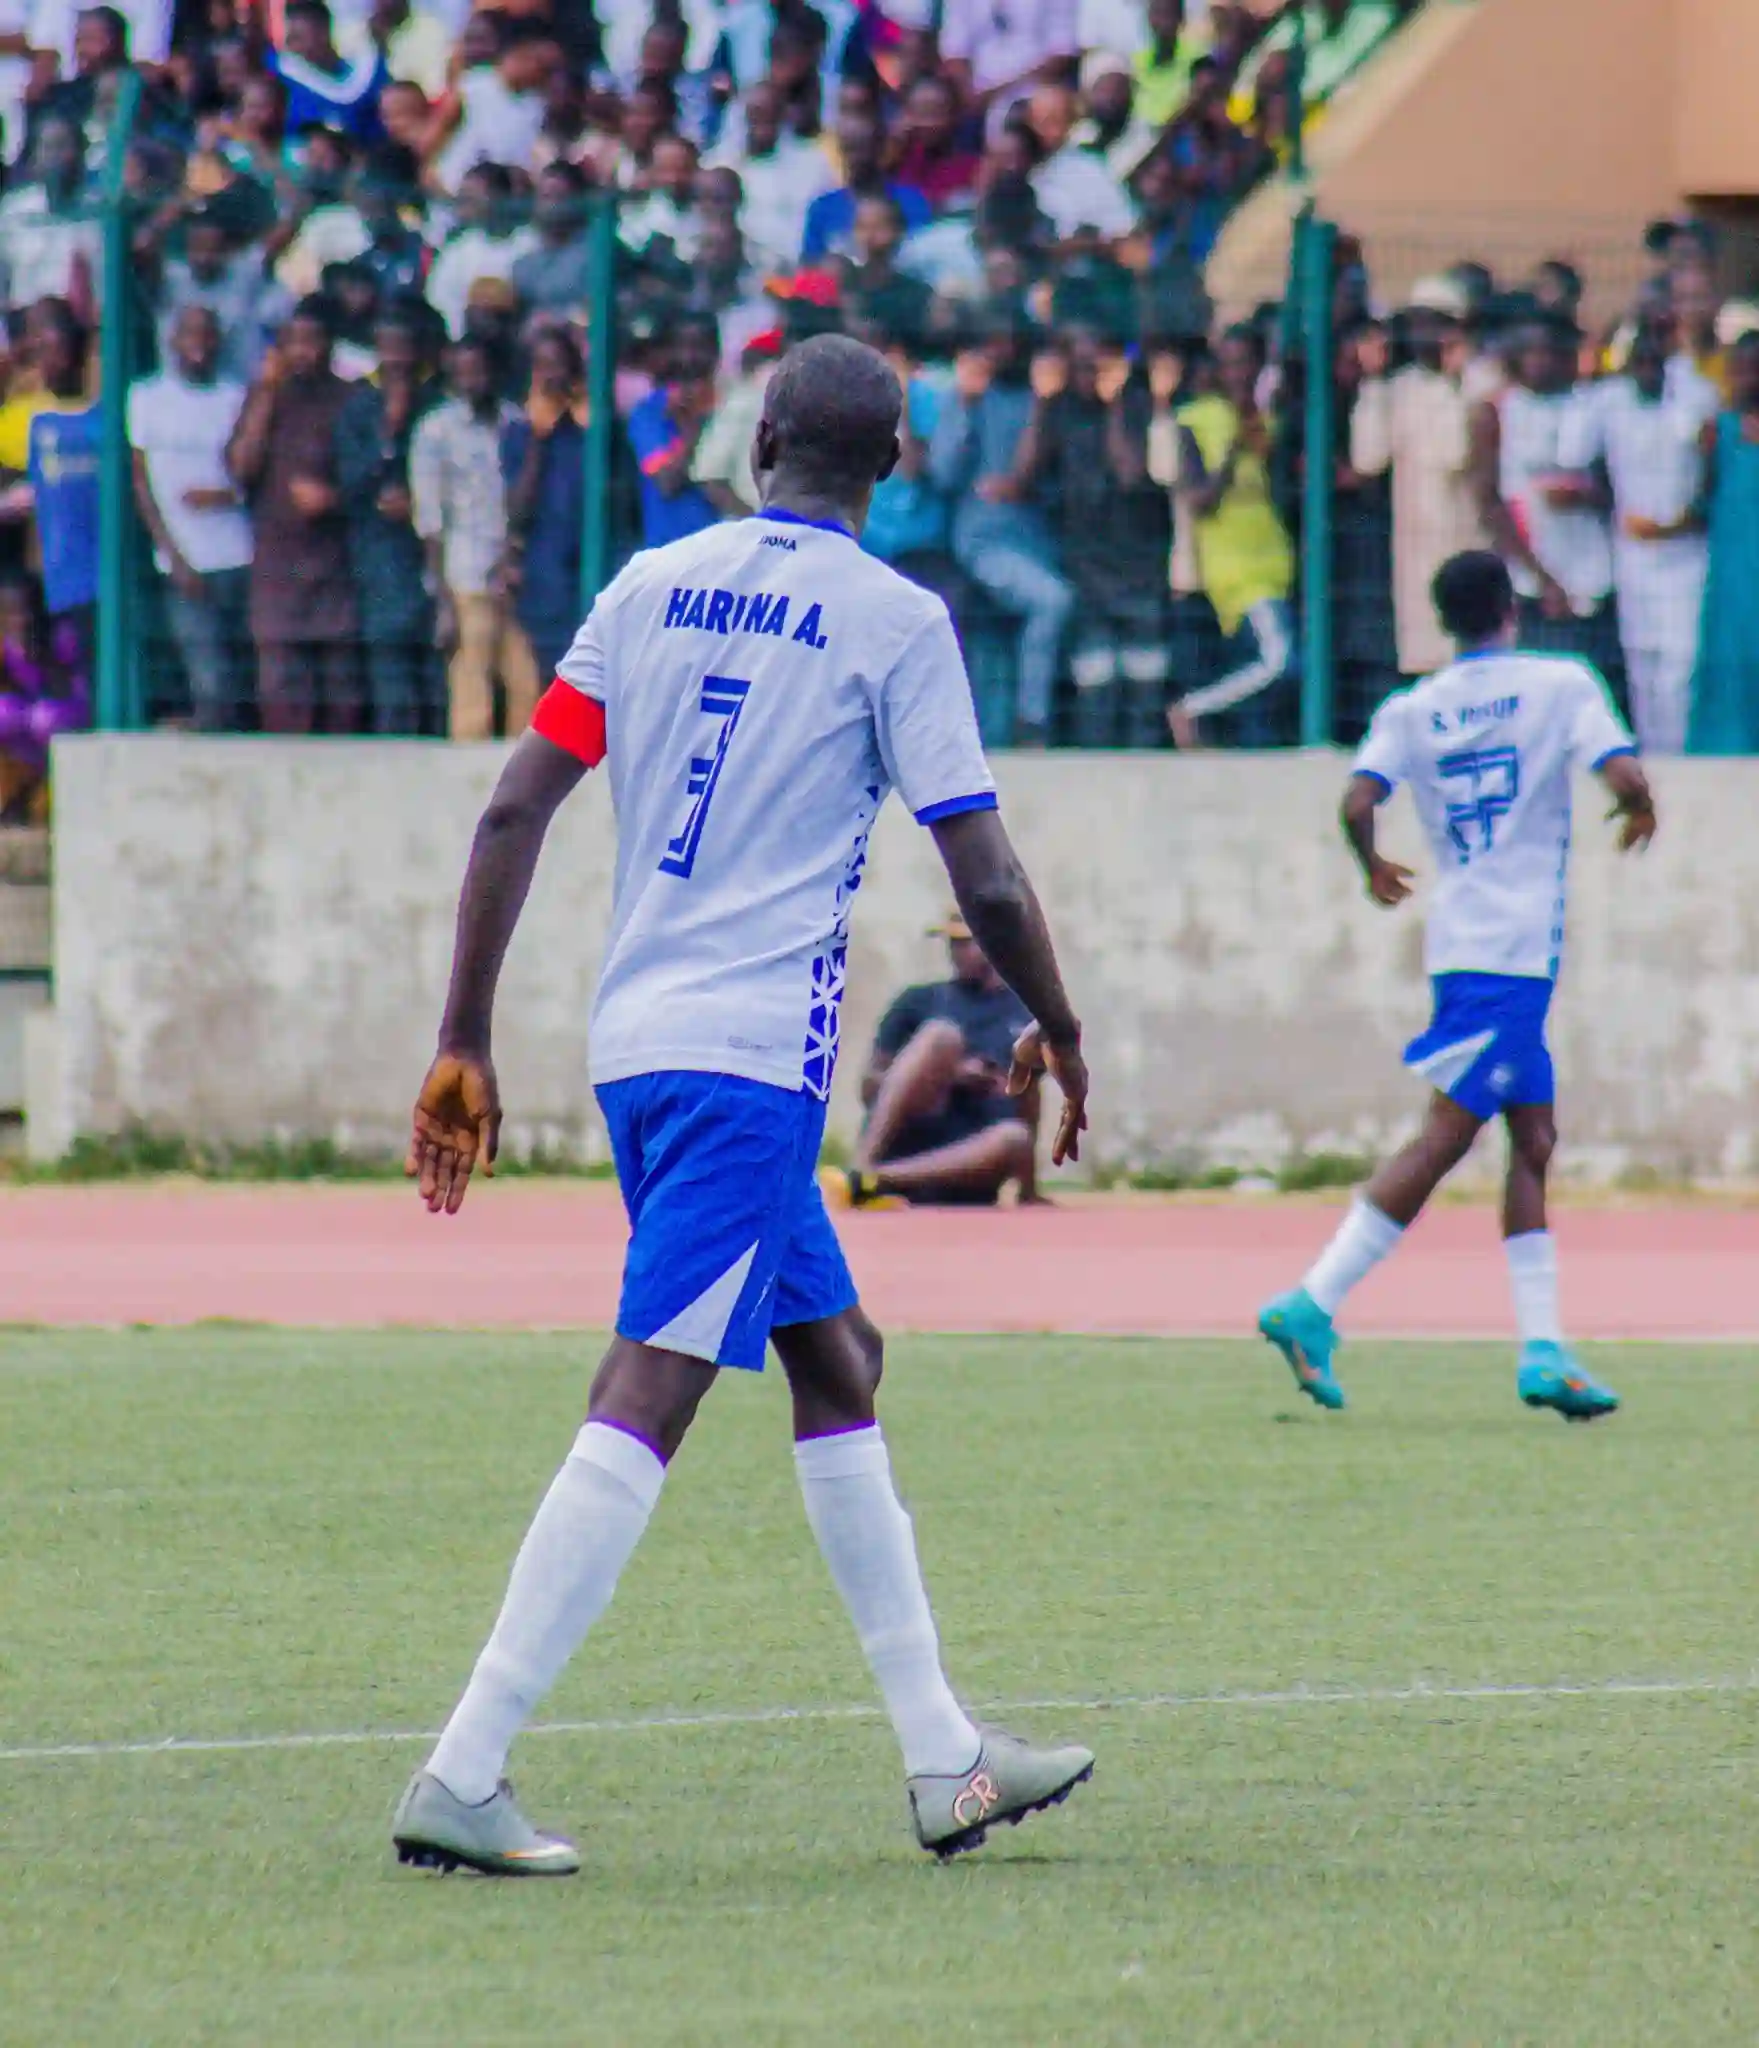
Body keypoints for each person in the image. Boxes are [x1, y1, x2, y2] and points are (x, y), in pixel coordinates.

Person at [390, 332, 1094, 1878]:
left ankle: (945, 1758)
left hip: (639, 1042)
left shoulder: (648, 585)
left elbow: (514, 806)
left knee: (838, 1358)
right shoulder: (893, 619)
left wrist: (463, 1036)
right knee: (651, 1385)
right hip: (747, 1064)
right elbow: (980, 869)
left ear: (756, 439)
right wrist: (1055, 1021)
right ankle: (464, 1763)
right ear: (892, 466)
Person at [1258, 550, 1655, 1420]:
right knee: (1445, 1136)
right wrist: (1639, 806)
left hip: (1464, 947)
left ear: (1443, 622)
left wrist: (1372, 867)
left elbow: (1355, 803)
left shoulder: (1413, 708)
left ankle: (1544, 1351)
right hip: (1509, 956)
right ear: (1511, 607)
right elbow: (1623, 774)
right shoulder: (1560, 684)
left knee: (1534, 1137)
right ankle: (1311, 1302)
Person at [1006, 332, 1168, 747]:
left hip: (1137, 561)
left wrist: (1113, 404)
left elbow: (1129, 472)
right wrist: (1042, 401)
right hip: (1083, 561)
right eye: (1080, 366)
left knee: (1145, 682)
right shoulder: (1058, 410)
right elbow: (1023, 476)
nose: (1089, 374)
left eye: (1097, 365)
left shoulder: (1137, 405)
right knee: (1096, 683)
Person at [1559, 323, 1714, 756]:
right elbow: (1572, 457)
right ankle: (1654, 756)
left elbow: (1710, 469)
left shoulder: (1693, 397)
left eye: (1653, 361)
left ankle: (1681, 758)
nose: (1646, 370)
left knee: (1680, 663)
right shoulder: (1608, 402)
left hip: (1685, 554)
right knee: (1642, 662)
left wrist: (1679, 522)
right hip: (1631, 555)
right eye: (1638, 362)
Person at [929, 319, 1074, 746]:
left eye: (1007, 341)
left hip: (1037, 540)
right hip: (983, 542)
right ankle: (1033, 720)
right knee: (1052, 601)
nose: (999, 351)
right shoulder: (967, 398)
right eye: (989, 343)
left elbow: (1042, 478)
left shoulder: (1040, 398)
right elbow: (943, 473)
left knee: (1008, 640)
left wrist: (1045, 402)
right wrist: (965, 404)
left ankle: (1021, 727)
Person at [842, 910, 1044, 1207]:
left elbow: (1030, 1105)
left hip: (969, 1159)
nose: (957, 952)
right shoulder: (919, 1000)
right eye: (953, 943)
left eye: (967, 942)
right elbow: (868, 1088)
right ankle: (861, 1168)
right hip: (913, 1134)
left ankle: (877, 1179)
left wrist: (1028, 1189)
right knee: (942, 1036)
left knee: (1016, 1136)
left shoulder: (1024, 1016)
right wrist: (947, 1075)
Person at [226, 294, 361, 733]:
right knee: (283, 689)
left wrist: (333, 499)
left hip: (335, 568)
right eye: (294, 342)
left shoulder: (351, 400)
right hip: (277, 569)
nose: (304, 351)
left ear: (330, 345)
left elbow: (375, 483)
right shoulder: (264, 397)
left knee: (341, 693)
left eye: (313, 341)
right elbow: (241, 468)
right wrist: (266, 392)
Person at [1349, 279, 1486, 681]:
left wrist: (1454, 383)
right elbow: (1367, 459)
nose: (1423, 334)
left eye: (1435, 323)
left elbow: (1455, 455)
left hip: (1466, 539)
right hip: (1415, 546)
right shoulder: (1399, 387)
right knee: (1426, 659)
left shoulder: (1479, 382)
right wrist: (1373, 382)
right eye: (1416, 324)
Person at [1166, 321, 1295, 747]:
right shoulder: (1196, 419)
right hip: (1234, 565)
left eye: (1246, 364)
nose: (1238, 374)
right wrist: (1234, 447)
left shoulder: (1267, 419)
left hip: (1275, 557)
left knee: (1268, 661)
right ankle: (1193, 710)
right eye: (1229, 364)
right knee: (1278, 660)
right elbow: (1200, 498)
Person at [128, 303, 255, 731]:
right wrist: (173, 555)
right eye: (190, 333)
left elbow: (254, 471)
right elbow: (141, 483)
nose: (199, 343)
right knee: (209, 678)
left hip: (238, 554)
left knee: (242, 678)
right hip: (183, 557)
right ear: (173, 340)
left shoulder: (236, 396)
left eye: (207, 333)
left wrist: (226, 494)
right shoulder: (147, 398)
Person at [409, 330, 538, 739]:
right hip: (464, 574)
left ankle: (520, 769)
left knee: (527, 683)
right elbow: (429, 519)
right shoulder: (436, 430)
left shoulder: (515, 423)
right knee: (472, 686)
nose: (472, 382)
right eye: (463, 373)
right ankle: (466, 769)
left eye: (479, 371)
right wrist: (442, 597)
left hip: (512, 573)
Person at [334, 295, 442, 734]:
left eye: (404, 348)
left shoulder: (437, 403)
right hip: (379, 555)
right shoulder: (360, 407)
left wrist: (419, 503)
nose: (397, 359)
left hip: (431, 552)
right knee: (389, 665)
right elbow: (347, 480)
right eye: (388, 348)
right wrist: (387, 437)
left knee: (436, 667)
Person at [1687, 331, 1759, 755]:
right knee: (1730, 649)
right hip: (1732, 563)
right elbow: (1702, 497)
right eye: (1740, 369)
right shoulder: (1719, 430)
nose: (1747, 379)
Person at [626, 309, 722, 548]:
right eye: (683, 346)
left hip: (725, 550)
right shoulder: (649, 412)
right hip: (669, 551)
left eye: (700, 346)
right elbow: (667, 483)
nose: (690, 357)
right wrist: (694, 423)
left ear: (716, 352)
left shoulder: (732, 406)